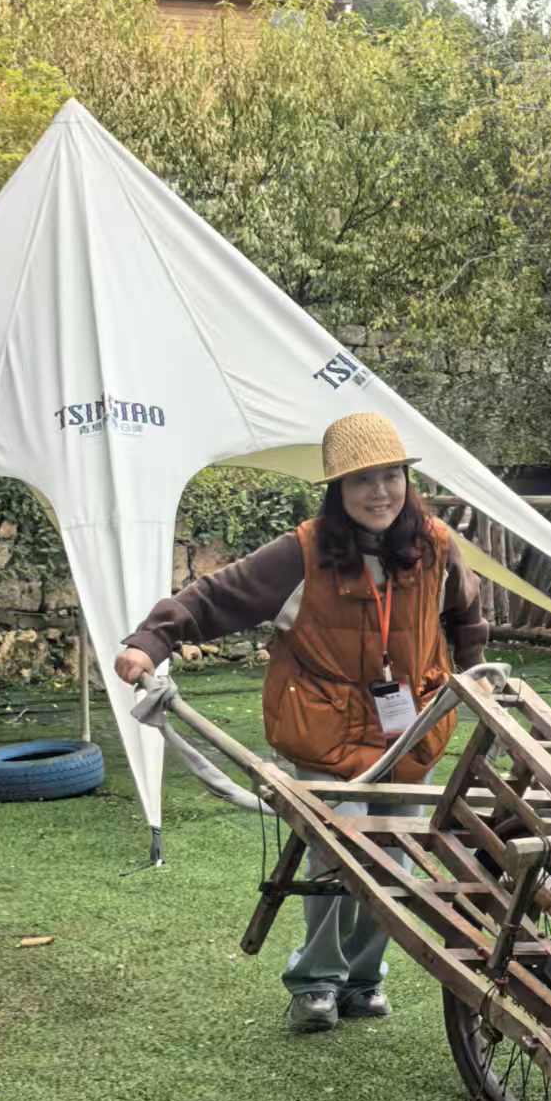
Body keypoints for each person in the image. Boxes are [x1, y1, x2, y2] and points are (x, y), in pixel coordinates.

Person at [114, 412, 489, 1032]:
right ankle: (317, 981)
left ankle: (364, 979)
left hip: (409, 732)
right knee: (337, 857)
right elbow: (216, 598)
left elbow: (466, 616)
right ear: (338, 490)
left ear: (407, 480)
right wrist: (150, 642)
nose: (380, 492)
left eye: (390, 476)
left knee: (396, 861)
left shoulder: (437, 547)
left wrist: (475, 677)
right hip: (324, 729)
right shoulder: (304, 552)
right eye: (362, 479)